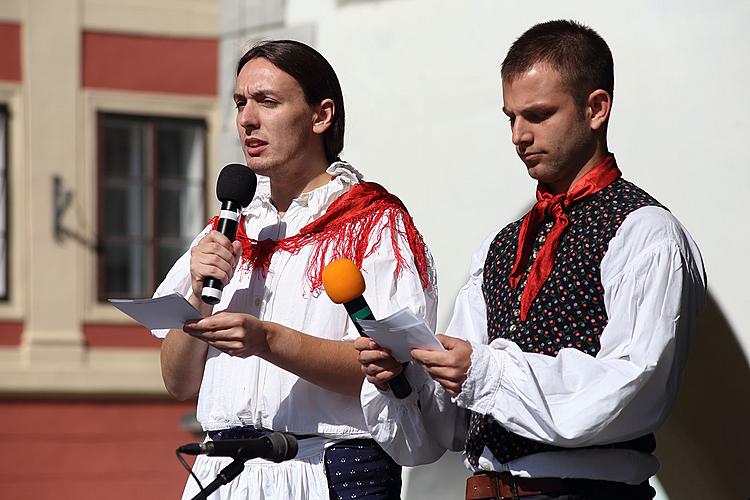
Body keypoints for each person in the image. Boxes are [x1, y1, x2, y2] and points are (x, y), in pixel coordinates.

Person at [356, 20, 706, 500]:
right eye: (511, 118)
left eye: (538, 115)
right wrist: (406, 379)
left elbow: (636, 384)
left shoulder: (646, 232)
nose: (519, 135)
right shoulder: (502, 248)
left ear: (596, 109)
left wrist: (487, 372)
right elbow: (451, 426)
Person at [152, 40, 436, 500]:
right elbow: (177, 381)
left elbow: (389, 365)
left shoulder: (372, 222)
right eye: (241, 102)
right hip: (224, 474)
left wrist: (269, 341)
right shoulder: (227, 230)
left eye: (267, 101)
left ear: (320, 116)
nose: (246, 119)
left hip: (324, 470)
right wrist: (197, 299)